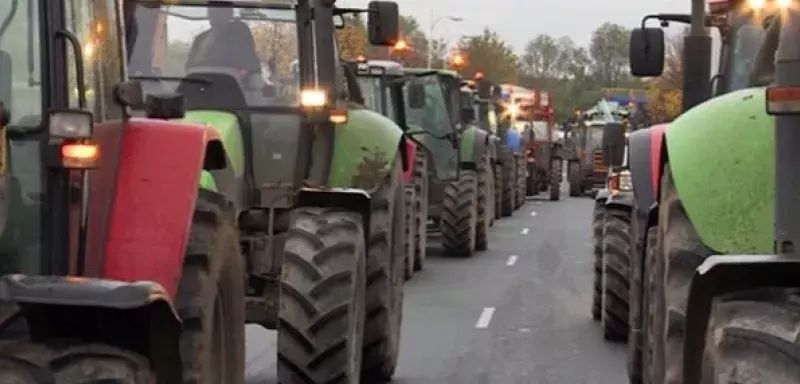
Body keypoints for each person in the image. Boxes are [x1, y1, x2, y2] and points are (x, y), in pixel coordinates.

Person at [186, 7, 261, 76]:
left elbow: (248, 62)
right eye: (211, 11)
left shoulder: (239, 31)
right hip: (198, 81)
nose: (214, 15)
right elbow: (189, 66)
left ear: (230, 13)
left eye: (218, 11)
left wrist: (242, 73)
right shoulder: (200, 38)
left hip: (229, 81)